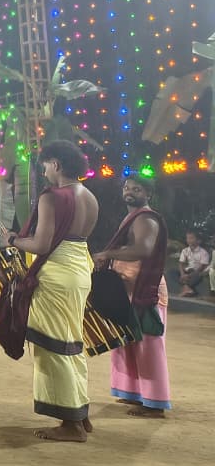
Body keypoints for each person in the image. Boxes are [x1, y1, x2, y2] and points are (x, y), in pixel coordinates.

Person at [6, 139, 98, 442]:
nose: (44, 171)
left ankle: (71, 424)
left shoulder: (52, 197)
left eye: (45, 165)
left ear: (56, 164)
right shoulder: (89, 196)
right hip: (79, 270)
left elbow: (42, 244)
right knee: (71, 341)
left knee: (53, 344)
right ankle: (79, 412)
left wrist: (13, 240)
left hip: (57, 274)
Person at [93, 177, 170, 416]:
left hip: (144, 289)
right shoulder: (133, 218)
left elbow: (143, 249)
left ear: (148, 194)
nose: (130, 192)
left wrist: (107, 254)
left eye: (137, 189)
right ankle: (135, 393)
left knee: (148, 345)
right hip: (128, 287)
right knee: (128, 340)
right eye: (127, 188)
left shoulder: (146, 218)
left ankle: (155, 403)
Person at [176, 230, 210, 297]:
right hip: (186, 271)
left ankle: (186, 288)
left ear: (198, 241)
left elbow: (202, 267)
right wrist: (182, 274)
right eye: (187, 238)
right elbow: (181, 263)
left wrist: (189, 276)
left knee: (199, 275)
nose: (189, 240)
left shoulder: (204, 253)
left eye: (191, 238)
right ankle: (188, 289)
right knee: (172, 272)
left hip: (196, 272)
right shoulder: (185, 250)